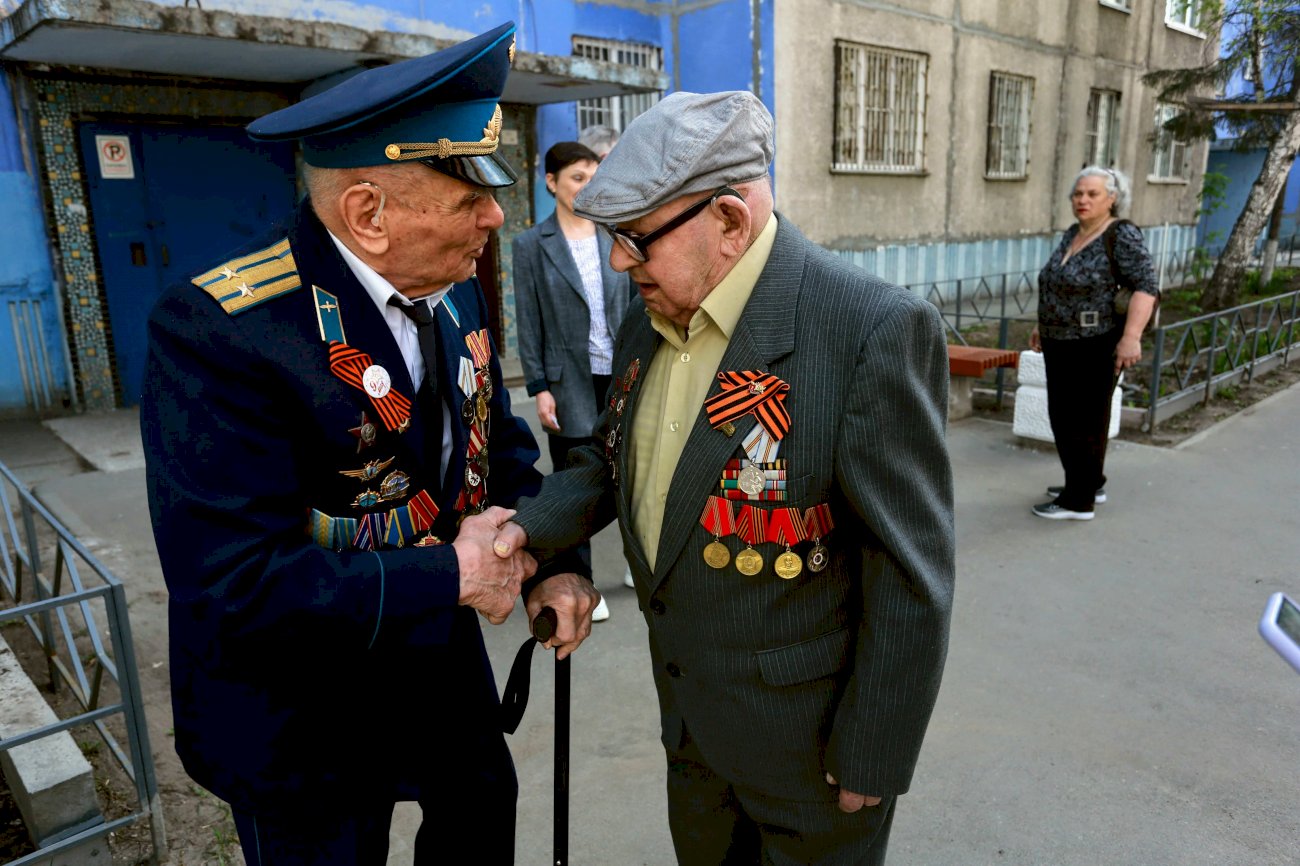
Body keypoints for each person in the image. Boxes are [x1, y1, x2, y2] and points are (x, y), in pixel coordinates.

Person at [139, 22, 597, 865]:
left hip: (436, 674)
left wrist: (557, 556)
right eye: (469, 199)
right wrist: (455, 572)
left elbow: (502, 451)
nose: (498, 216)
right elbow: (232, 584)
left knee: (481, 824)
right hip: (301, 709)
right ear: (367, 213)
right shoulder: (222, 331)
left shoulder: (456, 291)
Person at [494, 91, 955, 864]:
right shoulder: (654, 307)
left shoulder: (869, 329)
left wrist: (874, 754)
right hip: (693, 731)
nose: (616, 261)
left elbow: (911, 571)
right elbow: (609, 462)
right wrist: (521, 534)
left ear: (730, 223)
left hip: (812, 755)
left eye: (634, 239)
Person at [512, 141, 634, 621]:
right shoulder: (530, 245)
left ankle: (634, 563)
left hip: (621, 371)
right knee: (573, 480)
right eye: (576, 178)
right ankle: (580, 582)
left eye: (592, 176)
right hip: (567, 381)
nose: (586, 186)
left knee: (630, 470)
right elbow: (529, 320)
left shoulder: (614, 233)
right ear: (551, 183)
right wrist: (539, 385)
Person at [1028, 166, 1158, 521]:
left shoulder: (1121, 234)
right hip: (1060, 340)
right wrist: (1044, 323)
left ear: (1112, 199)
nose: (1082, 200)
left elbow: (1147, 287)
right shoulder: (1074, 233)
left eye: (1092, 194)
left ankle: (1077, 500)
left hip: (1094, 341)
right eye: (1078, 194)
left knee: (1079, 420)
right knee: (1072, 417)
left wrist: (1131, 338)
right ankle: (1088, 482)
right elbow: (1056, 283)